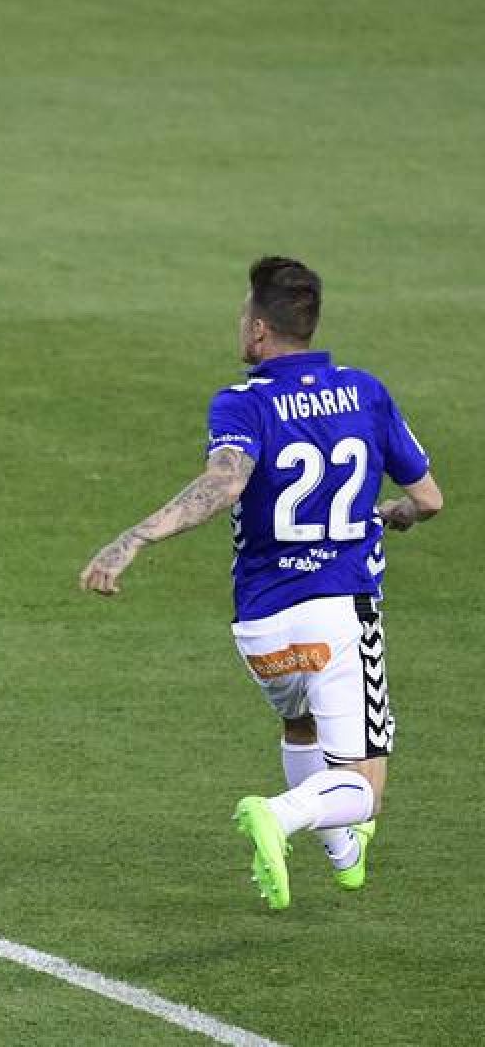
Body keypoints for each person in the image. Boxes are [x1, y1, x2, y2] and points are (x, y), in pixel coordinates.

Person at [80, 256, 443, 910]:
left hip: (262, 630)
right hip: (339, 613)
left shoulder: (243, 402)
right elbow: (430, 498)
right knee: (364, 787)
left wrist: (133, 538)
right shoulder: (365, 391)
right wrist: (399, 513)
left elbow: (224, 482)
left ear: (257, 332)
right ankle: (281, 815)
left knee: (301, 724)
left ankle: (341, 856)